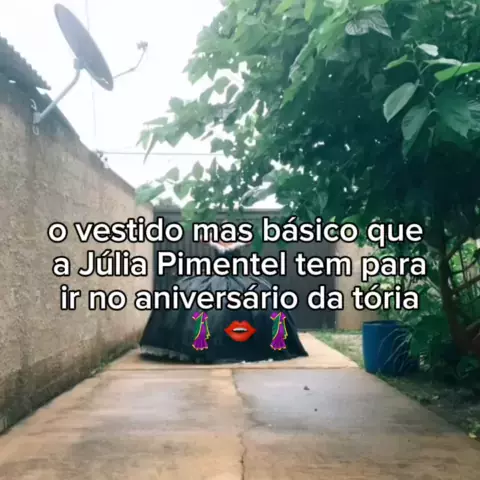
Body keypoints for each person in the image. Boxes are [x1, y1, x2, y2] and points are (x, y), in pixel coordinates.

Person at [139, 238, 308, 363]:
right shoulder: (216, 244)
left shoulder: (238, 244)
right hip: (215, 277)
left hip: (236, 277)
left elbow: (247, 241)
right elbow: (205, 239)